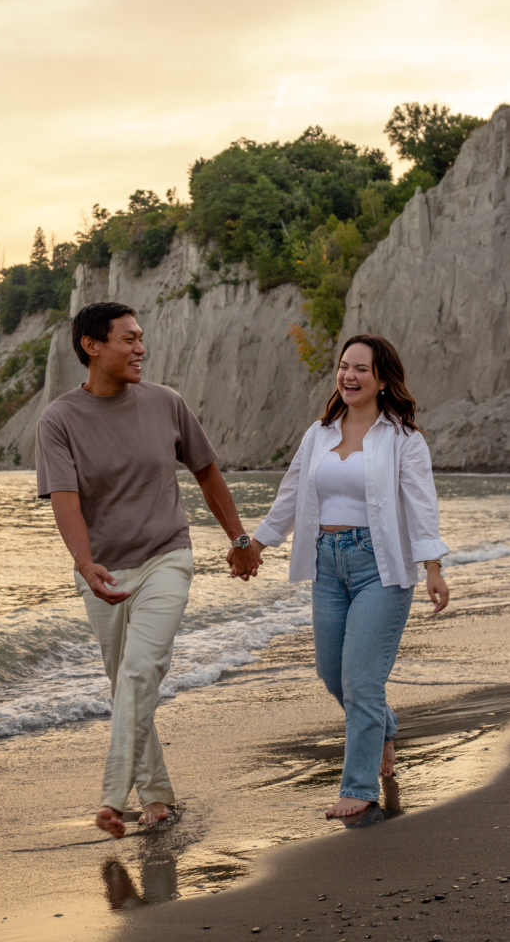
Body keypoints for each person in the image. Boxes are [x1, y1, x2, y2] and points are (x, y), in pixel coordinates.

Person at [36, 301, 260, 837]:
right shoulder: (59, 419)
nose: (141, 348)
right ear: (92, 345)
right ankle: (155, 795)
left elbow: (207, 474)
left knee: (140, 671)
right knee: (125, 683)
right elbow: (64, 500)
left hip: (167, 556)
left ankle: (114, 798)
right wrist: (85, 563)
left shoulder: (166, 403)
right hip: (103, 572)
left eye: (142, 338)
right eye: (128, 339)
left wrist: (240, 538)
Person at [237, 334, 449, 818]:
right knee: (333, 674)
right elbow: (290, 495)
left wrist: (433, 567)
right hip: (327, 564)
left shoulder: (404, 439)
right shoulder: (319, 433)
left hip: (381, 568)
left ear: (381, 379)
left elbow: (421, 508)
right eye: (343, 366)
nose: (349, 376)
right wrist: (255, 545)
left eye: (361, 369)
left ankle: (358, 787)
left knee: (361, 679)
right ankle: (383, 728)